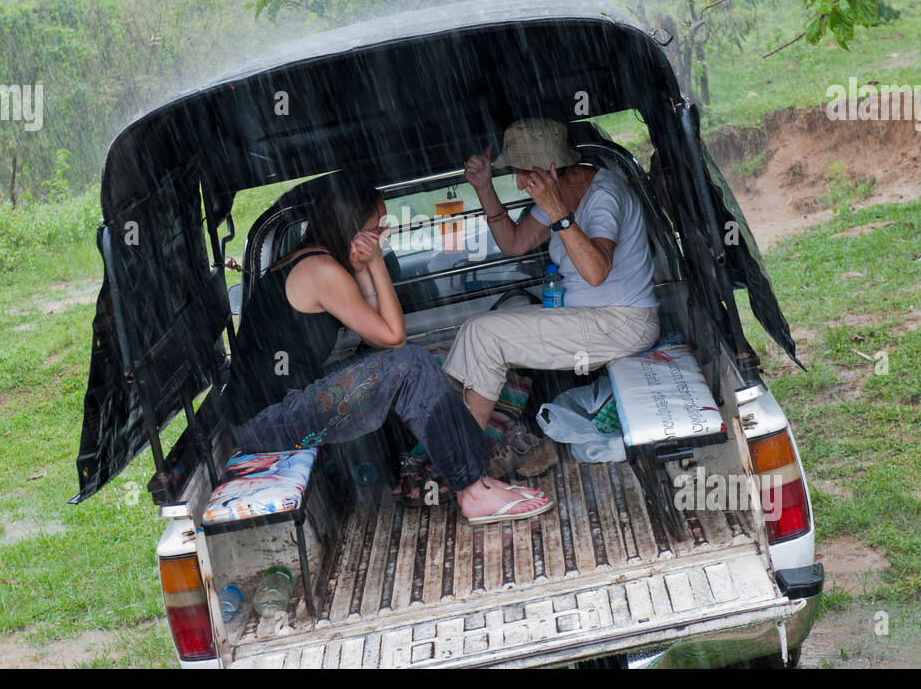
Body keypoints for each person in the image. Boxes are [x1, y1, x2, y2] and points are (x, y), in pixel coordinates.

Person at [221, 170, 552, 524]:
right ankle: (473, 490)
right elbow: (395, 339)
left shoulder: (318, 260)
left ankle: (469, 470)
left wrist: (364, 269)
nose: (385, 234)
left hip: (280, 409)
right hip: (270, 421)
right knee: (410, 362)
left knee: (415, 362)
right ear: (353, 230)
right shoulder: (320, 270)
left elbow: (377, 336)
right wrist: (377, 261)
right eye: (378, 228)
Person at [443, 118, 661, 473]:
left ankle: (465, 472)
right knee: (473, 329)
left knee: (484, 334)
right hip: (590, 320)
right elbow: (514, 244)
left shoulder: (604, 195)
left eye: (521, 172)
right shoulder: (556, 195)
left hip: (624, 322)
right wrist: (484, 188)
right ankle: (454, 449)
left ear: (551, 169)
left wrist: (558, 212)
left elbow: (596, 272)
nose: (516, 182)